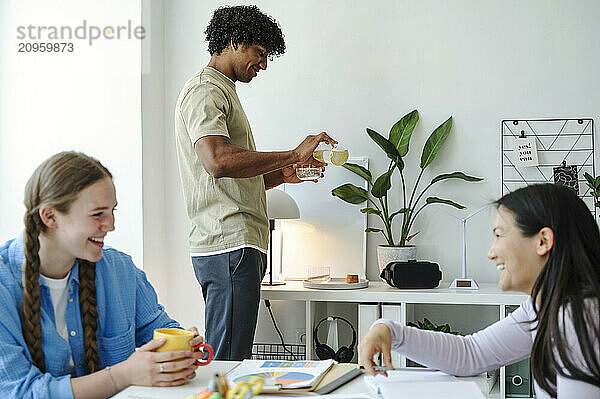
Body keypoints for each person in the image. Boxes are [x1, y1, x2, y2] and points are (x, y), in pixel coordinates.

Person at [174, 5, 336, 361]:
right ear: (234, 41)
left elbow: (232, 179)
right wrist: (292, 154)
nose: (263, 65)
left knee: (232, 355)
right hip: (228, 243)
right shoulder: (205, 90)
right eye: (259, 54)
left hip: (235, 245)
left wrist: (284, 174)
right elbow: (216, 161)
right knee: (228, 361)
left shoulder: (223, 91)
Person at [358, 183, 600, 398]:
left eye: (499, 235)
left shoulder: (579, 317)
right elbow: (470, 354)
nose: (491, 252)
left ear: (543, 241)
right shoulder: (544, 306)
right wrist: (389, 331)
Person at [0, 152, 206, 398]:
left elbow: (159, 331)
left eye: (112, 211)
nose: (111, 225)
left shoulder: (120, 270)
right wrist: (121, 375)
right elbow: (20, 392)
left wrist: (182, 350)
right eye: (98, 214)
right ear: (50, 216)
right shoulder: (5, 285)